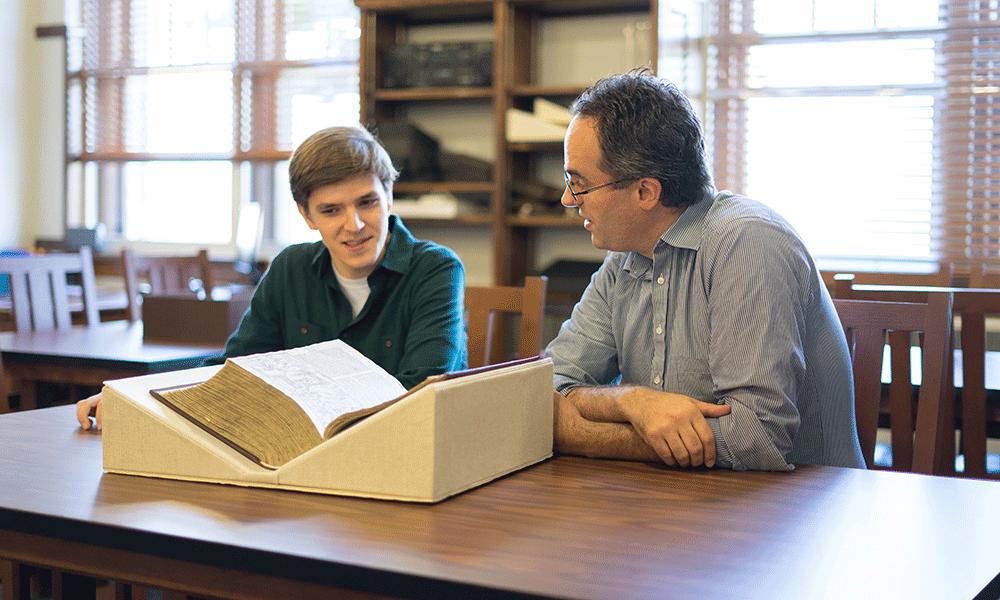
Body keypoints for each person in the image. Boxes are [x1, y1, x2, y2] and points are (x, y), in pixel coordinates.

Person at [548, 70, 864, 471]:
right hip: (684, 502)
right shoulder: (624, 260)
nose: (567, 199)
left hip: (802, 511)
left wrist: (583, 435)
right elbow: (548, 387)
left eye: (580, 184)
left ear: (646, 192)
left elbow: (755, 438)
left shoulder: (747, 242)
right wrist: (630, 401)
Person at [78, 126, 468, 430]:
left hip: (402, 453)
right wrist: (134, 395)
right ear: (307, 215)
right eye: (331, 210)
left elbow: (420, 391)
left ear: (388, 195)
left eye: (367, 202)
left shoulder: (436, 269)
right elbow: (237, 367)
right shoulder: (290, 268)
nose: (354, 225)